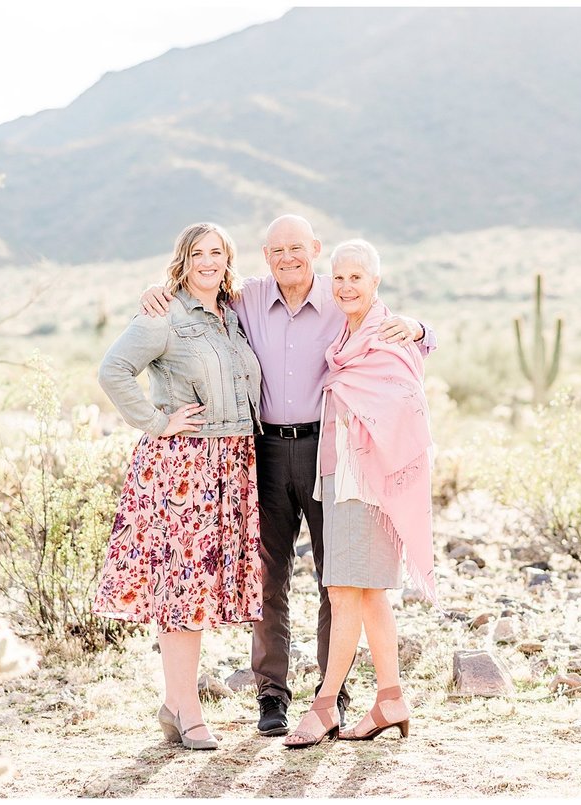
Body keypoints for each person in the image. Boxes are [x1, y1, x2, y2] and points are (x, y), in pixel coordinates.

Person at [140, 214, 435, 737]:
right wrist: (156, 292)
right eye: (276, 250)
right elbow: (197, 292)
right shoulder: (248, 297)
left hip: (328, 452)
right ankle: (271, 695)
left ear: (315, 249)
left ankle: (333, 691)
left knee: (335, 576)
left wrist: (420, 328)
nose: (287, 258)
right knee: (268, 578)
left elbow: (399, 331)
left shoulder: (341, 293)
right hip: (266, 449)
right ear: (264, 255)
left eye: (297, 248)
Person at [95, 222, 263, 751]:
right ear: (183, 259)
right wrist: (155, 420)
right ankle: (187, 710)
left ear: (228, 259)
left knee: (200, 591)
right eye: (197, 253)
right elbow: (114, 370)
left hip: (230, 463)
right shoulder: (162, 313)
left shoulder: (232, 317)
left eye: (217, 252)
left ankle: (174, 703)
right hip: (183, 467)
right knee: (182, 590)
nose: (208, 261)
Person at [283, 238, 435, 748]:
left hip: (369, 483)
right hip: (343, 477)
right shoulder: (349, 336)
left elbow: (406, 405)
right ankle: (390, 700)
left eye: (356, 277)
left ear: (375, 282)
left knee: (344, 592)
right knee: (366, 596)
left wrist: (418, 330)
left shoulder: (387, 337)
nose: (346, 286)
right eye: (339, 277)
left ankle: (324, 706)